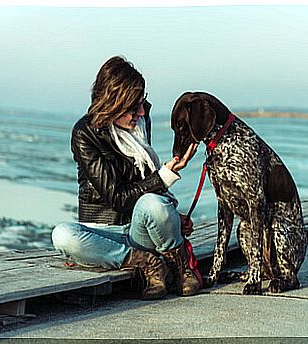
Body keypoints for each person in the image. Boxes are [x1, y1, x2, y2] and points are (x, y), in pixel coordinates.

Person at [51, 56, 200, 300]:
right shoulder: (85, 133)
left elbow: (147, 189)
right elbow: (117, 198)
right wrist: (164, 176)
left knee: (155, 205)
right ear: (113, 102)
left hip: (138, 230)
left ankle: (180, 268)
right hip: (102, 235)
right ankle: (146, 262)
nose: (140, 112)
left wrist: (170, 216)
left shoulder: (140, 120)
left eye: (141, 103)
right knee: (62, 235)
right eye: (133, 106)